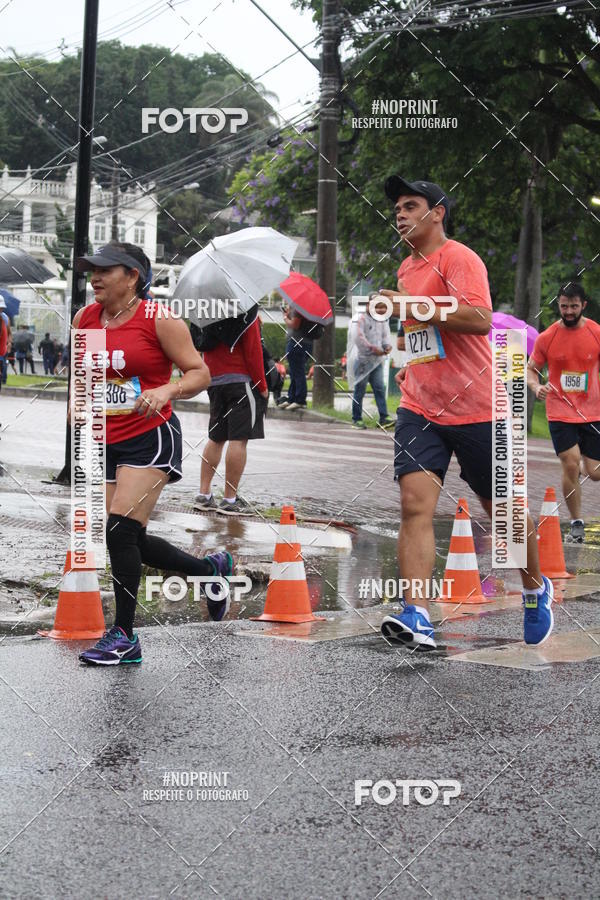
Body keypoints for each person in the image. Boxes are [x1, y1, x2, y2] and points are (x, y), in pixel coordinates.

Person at [377, 176, 553, 650]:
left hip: (478, 407)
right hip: (421, 407)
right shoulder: (406, 269)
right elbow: (427, 334)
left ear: (437, 212)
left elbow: (478, 318)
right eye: (397, 207)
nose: (400, 213)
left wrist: (411, 305)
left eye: (411, 205)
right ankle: (417, 612)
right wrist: (410, 364)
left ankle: (535, 588)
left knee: (505, 518)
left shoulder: (459, 258)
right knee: (414, 504)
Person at [72, 241, 234, 667]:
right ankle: (209, 572)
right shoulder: (85, 318)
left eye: (105, 270)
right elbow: (86, 376)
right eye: (92, 270)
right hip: (107, 438)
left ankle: (125, 635)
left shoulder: (160, 320)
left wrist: (166, 389)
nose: (95, 278)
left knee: (119, 534)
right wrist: (78, 403)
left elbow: (200, 373)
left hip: (151, 435)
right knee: (129, 537)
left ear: (132, 276)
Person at [527, 283, 600, 543]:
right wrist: (536, 387)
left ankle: (583, 466)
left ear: (584, 305)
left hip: (593, 412)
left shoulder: (596, 332)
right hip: (559, 411)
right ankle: (576, 522)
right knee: (570, 463)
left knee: (594, 472)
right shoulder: (547, 337)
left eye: (574, 306)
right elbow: (530, 369)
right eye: (564, 306)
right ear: (558, 305)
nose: (568, 311)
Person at [195, 313, 268, 516]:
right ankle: (229, 499)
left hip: (215, 380)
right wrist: (262, 386)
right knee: (238, 439)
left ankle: (204, 495)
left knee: (216, 438)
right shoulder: (246, 311)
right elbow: (254, 352)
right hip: (241, 381)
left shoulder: (207, 310)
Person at [348, 296, 394, 429]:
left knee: (380, 388)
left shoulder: (382, 319)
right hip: (362, 360)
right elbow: (358, 338)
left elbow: (385, 336)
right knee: (360, 390)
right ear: (368, 304)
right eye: (377, 306)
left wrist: (387, 346)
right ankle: (356, 419)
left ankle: (384, 417)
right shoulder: (359, 318)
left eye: (382, 306)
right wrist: (374, 349)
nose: (380, 309)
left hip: (377, 361)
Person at [279, 303, 312, 410]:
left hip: (297, 343)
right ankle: (292, 398)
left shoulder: (298, 307)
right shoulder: (303, 307)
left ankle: (300, 400)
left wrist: (285, 318)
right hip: (304, 343)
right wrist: (289, 315)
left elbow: (295, 325)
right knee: (294, 372)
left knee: (298, 372)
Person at [0, 298, 11, 391]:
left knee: (3, 366)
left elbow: (9, 333)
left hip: (2, 350)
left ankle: (3, 379)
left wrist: (9, 343)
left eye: (2, 308)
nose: (1, 309)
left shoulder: (5, 318)